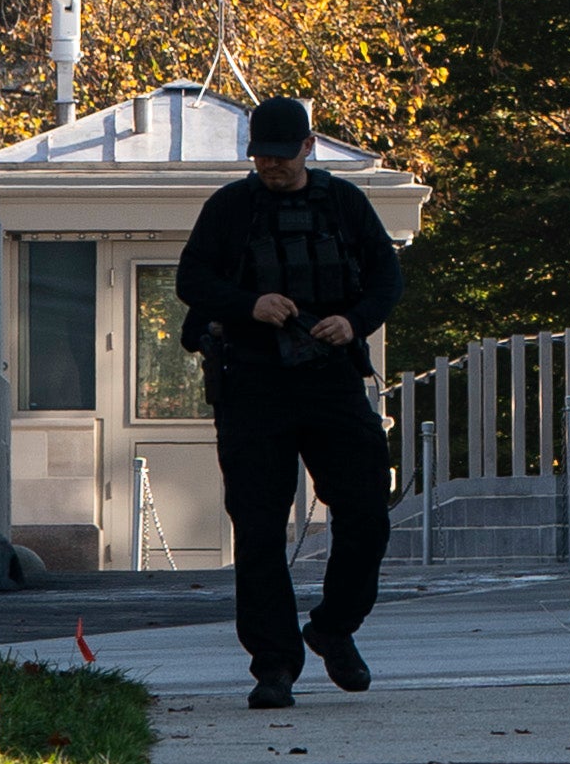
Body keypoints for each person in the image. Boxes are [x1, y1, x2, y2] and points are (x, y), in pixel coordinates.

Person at [172, 94, 402, 708]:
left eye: (280, 155)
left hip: (329, 379)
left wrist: (352, 323)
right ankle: (274, 667)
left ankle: (333, 628)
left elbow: (387, 279)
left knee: (366, 513)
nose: (269, 166)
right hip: (253, 383)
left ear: (307, 147)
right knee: (258, 529)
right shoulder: (230, 208)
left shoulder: (344, 203)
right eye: (260, 156)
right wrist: (249, 305)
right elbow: (191, 281)